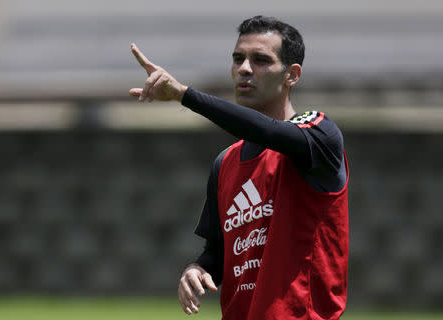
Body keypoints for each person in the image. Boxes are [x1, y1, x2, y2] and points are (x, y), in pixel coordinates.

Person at [130, 15, 349, 320]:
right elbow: (218, 253)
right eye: (238, 59)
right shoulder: (226, 162)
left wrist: (184, 94)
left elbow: (271, 132)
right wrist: (197, 269)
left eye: (261, 60)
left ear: (292, 75)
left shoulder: (318, 135)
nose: (244, 69)